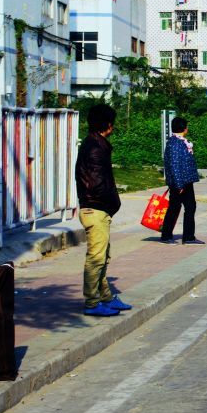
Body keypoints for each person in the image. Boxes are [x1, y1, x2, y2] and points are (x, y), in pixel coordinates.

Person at [75, 104, 131, 316]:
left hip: (99, 209)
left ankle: (106, 297)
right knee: (96, 258)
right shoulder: (95, 148)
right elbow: (97, 183)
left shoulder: (95, 144)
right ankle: (91, 303)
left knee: (103, 257)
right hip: (95, 209)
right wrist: (112, 202)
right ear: (108, 124)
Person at [161, 116, 203, 245]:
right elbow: (174, 165)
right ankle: (170, 236)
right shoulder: (175, 143)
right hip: (180, 183)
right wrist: (179, 184)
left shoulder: (180, 141)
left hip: (185, 181)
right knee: (177, 207)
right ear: (185, 129)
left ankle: (186, 236)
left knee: (188, 207)